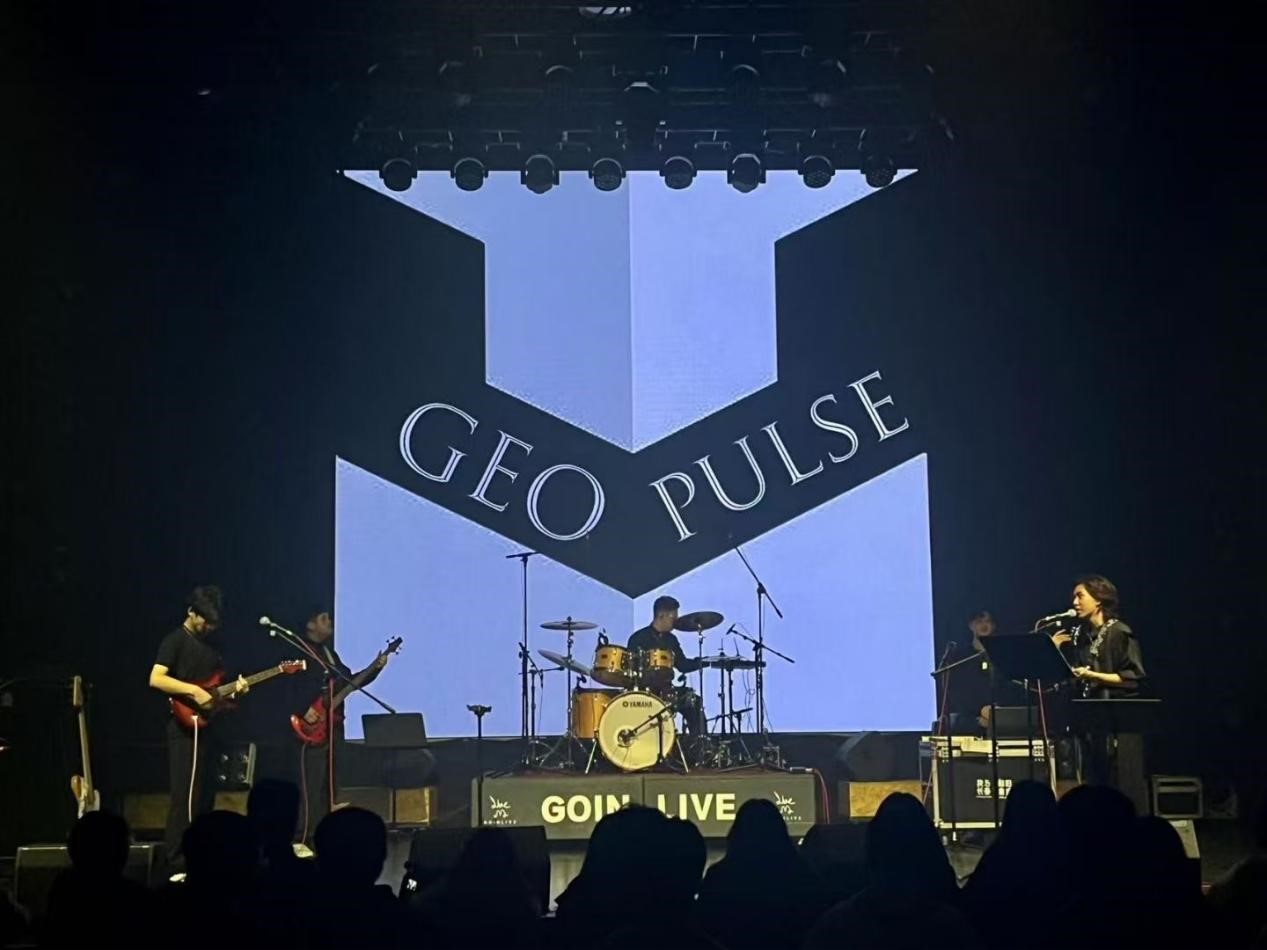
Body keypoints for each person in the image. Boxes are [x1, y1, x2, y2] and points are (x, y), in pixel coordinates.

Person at [148, 585, 248, 870]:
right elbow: (156, 678)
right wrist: (192, 691)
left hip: (209, 725)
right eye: (205, 620)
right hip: (183, 726)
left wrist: (236, 691)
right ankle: (175, 860)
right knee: (184, 795)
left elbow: (216, 692)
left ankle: (202, 854)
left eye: (213, 622)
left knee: (205, 795)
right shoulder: (175, 640)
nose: (209, 627)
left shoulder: (214, 648)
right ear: (191, 612)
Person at [1051, 575, 1148, 808]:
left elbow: (1132, 678)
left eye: (1080, 596)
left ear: (1098, 599)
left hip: (1118, 723)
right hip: (1091, 719)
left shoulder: (1119, 632)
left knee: (1118, 782)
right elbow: (1070, 674)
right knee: (1094, 779)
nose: (1075, 602)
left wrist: (1093, 676)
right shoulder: (1082, 636)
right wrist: (1055, 650)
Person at [292, 609, 391, 835]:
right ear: (310, 624)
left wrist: (375, 668)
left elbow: (350, 682)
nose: (330, 622)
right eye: (324, 618)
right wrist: (304, 708)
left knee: (330, 786)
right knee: (311, 786)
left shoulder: (329, 655)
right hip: (310, 730)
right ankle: (302, 837)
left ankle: (324, 835)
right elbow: (288, 688)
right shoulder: (298, 650)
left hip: (333, 729)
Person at [627, 595, 704, 734]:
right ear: (661, 615)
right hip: (644, 691)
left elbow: (682, 665)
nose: (676, 621)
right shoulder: (638, 638)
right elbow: (630, 670)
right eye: (673, 617)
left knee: (694, 702)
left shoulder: (671, 639)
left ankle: (698, 744)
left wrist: (704, 662)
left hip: (667, 691)